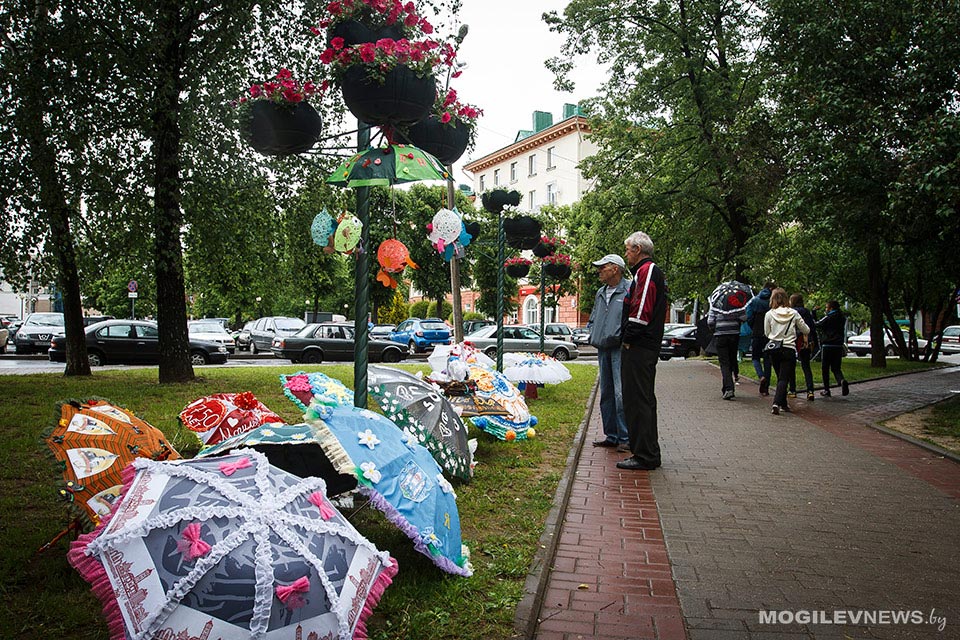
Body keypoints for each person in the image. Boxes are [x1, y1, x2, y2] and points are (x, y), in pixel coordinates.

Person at [617, 232, 667, 471]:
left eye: (627, 249)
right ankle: (647, 452)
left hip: (639, 346)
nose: (626, 253)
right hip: (642, 345)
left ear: (637, 249)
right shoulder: (644, 272)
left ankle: (644, 454)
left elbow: (641, 310)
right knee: (642, 399)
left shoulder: (646, 271)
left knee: (638, 400)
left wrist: (628, 339)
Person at [587, 254, 631, 452]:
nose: (599, 271)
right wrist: (592, 330)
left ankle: (625, 436)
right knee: (606, 392)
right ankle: (611, 435)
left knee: (621, 393)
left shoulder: (629, 289)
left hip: (620, 347)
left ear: (615, 269)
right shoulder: (600, 292)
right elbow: (595, 315)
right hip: (602, 346)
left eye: (603, 267)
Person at [763, 288, 810, 415]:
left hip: (774, 349)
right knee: (784, 378)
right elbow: (806, 329)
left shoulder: (769, 314)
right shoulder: (794, 313)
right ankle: (777, 403)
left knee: (780, 377)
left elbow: (767, 333)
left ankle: (783, 404)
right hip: (789, 348)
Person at [708, 292, 747, 400]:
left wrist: (715, 328)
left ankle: (728, 388)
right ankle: (727, 387)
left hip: (720, 336)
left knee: (724, 363)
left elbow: (710, 321)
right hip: (734, 335)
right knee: (731, 359)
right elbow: (744, 318)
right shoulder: (737, 305)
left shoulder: (715, 306)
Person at [745, 282, 775, 395]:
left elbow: (749, 317)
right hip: (769, 335)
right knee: (768, 360)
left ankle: (761, 376)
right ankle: (766, 389)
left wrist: (753, 327)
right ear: (771, 288)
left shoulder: (754, 300)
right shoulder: (773, 301)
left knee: (755, 358)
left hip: (757, 333)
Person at [788, 293, 819, 401]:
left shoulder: (792, 312)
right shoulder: (807, 312)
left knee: (791, 367)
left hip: (794, 341)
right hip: (805, 342)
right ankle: (810, 391)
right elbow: (812, 328)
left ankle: (792, 390)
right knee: (806, 367)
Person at [816, 300, 850, 397]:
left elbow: (817, 324)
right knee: (836, 368)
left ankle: (827, 390)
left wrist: (813, 313)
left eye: (827, 308)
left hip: (828, 345)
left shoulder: (828, 317)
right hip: (838, 345)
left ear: (831, 308)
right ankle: (841, 380)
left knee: (825, 368)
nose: (826, 309)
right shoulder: (841, 317)